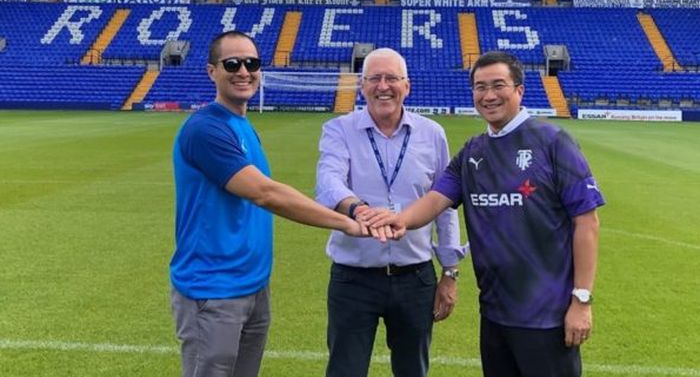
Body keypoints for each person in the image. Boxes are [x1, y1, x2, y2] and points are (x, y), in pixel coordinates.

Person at [364, 51, 604, 377]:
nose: (488, 95)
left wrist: (582, 300)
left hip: (547, 316)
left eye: (498, 85)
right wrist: (399, 220)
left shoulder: (552, 141)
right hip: (494, 314)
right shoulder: (474, 151)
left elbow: (587, 222)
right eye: (479, 87)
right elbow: (436, 199)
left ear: (519, 90)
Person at [169, 30, 385, 377]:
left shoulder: (241, 126)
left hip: (252, 285)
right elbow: (265, 193)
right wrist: (346, 222)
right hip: (213, 289)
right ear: (212, 71)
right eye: (233, 63)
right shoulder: (205, 129)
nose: (243, 71)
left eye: (251, 63)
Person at [315, 47, 466, 377]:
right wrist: (360, 211)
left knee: (413, 371)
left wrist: (450, 272)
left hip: (415, 278)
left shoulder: (432, 134)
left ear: (407, 86)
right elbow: (328, 181)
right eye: (374, 78)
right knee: (344, 370)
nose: (383, 86)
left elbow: (445, 205)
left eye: (392, 78)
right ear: (362, 86)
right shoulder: (338, 129)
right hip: (353, 278)